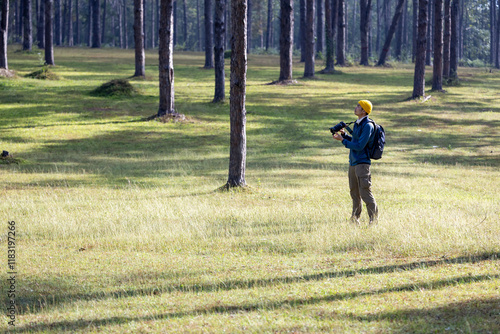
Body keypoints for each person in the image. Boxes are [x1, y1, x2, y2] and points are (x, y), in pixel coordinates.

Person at [333, 100, 378, 224]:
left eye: (359, 106)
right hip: (353, 162)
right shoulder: (358, 124)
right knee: (354, 193)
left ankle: (373, 221)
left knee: (365, 193)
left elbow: (359, 146)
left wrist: (342, 140)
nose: (356, 107)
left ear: (364, 111)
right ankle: (355, 219)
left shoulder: (368, 125)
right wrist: (345, 135)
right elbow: (355, 140)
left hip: (362, 164)